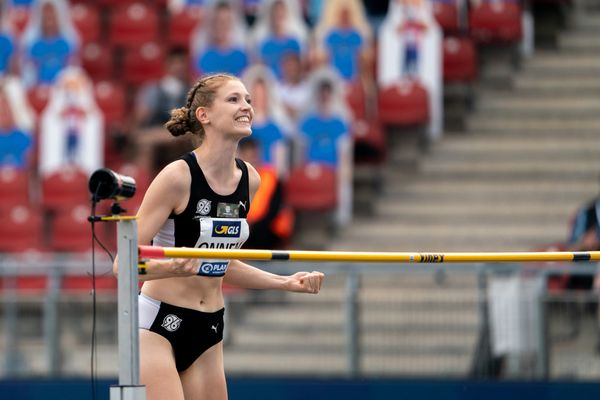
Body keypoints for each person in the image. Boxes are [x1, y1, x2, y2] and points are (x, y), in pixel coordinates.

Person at [114, 73, 324, 400]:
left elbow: (221, 263)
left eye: (248, 101)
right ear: (204, 115)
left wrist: (284, 282)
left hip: (210, 329)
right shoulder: (176, 177)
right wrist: (173, 267)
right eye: (234, 99)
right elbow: (121, 265)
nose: (246, 107)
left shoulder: (250, 180)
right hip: (157, 325)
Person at [237, 136, 294, 249]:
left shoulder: (272, 176)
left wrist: (254, 224)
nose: (250, 158)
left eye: (252, 154)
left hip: (266, 228)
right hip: (242, 225)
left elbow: (275, 207)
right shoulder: (234, 177)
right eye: (246, 153)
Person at [20, 0, 79, 87]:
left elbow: (72, 70)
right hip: (39, 87)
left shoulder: (68, 44)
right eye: (46, 13)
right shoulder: (33, 45)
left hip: (63, 88)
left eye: (51, 13)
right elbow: (29, 73)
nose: (48, 17)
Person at [190, 0, 249, 78]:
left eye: (225, 21)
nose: (220, 26)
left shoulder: (242, 58)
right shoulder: (203, 58)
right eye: (217, 21)